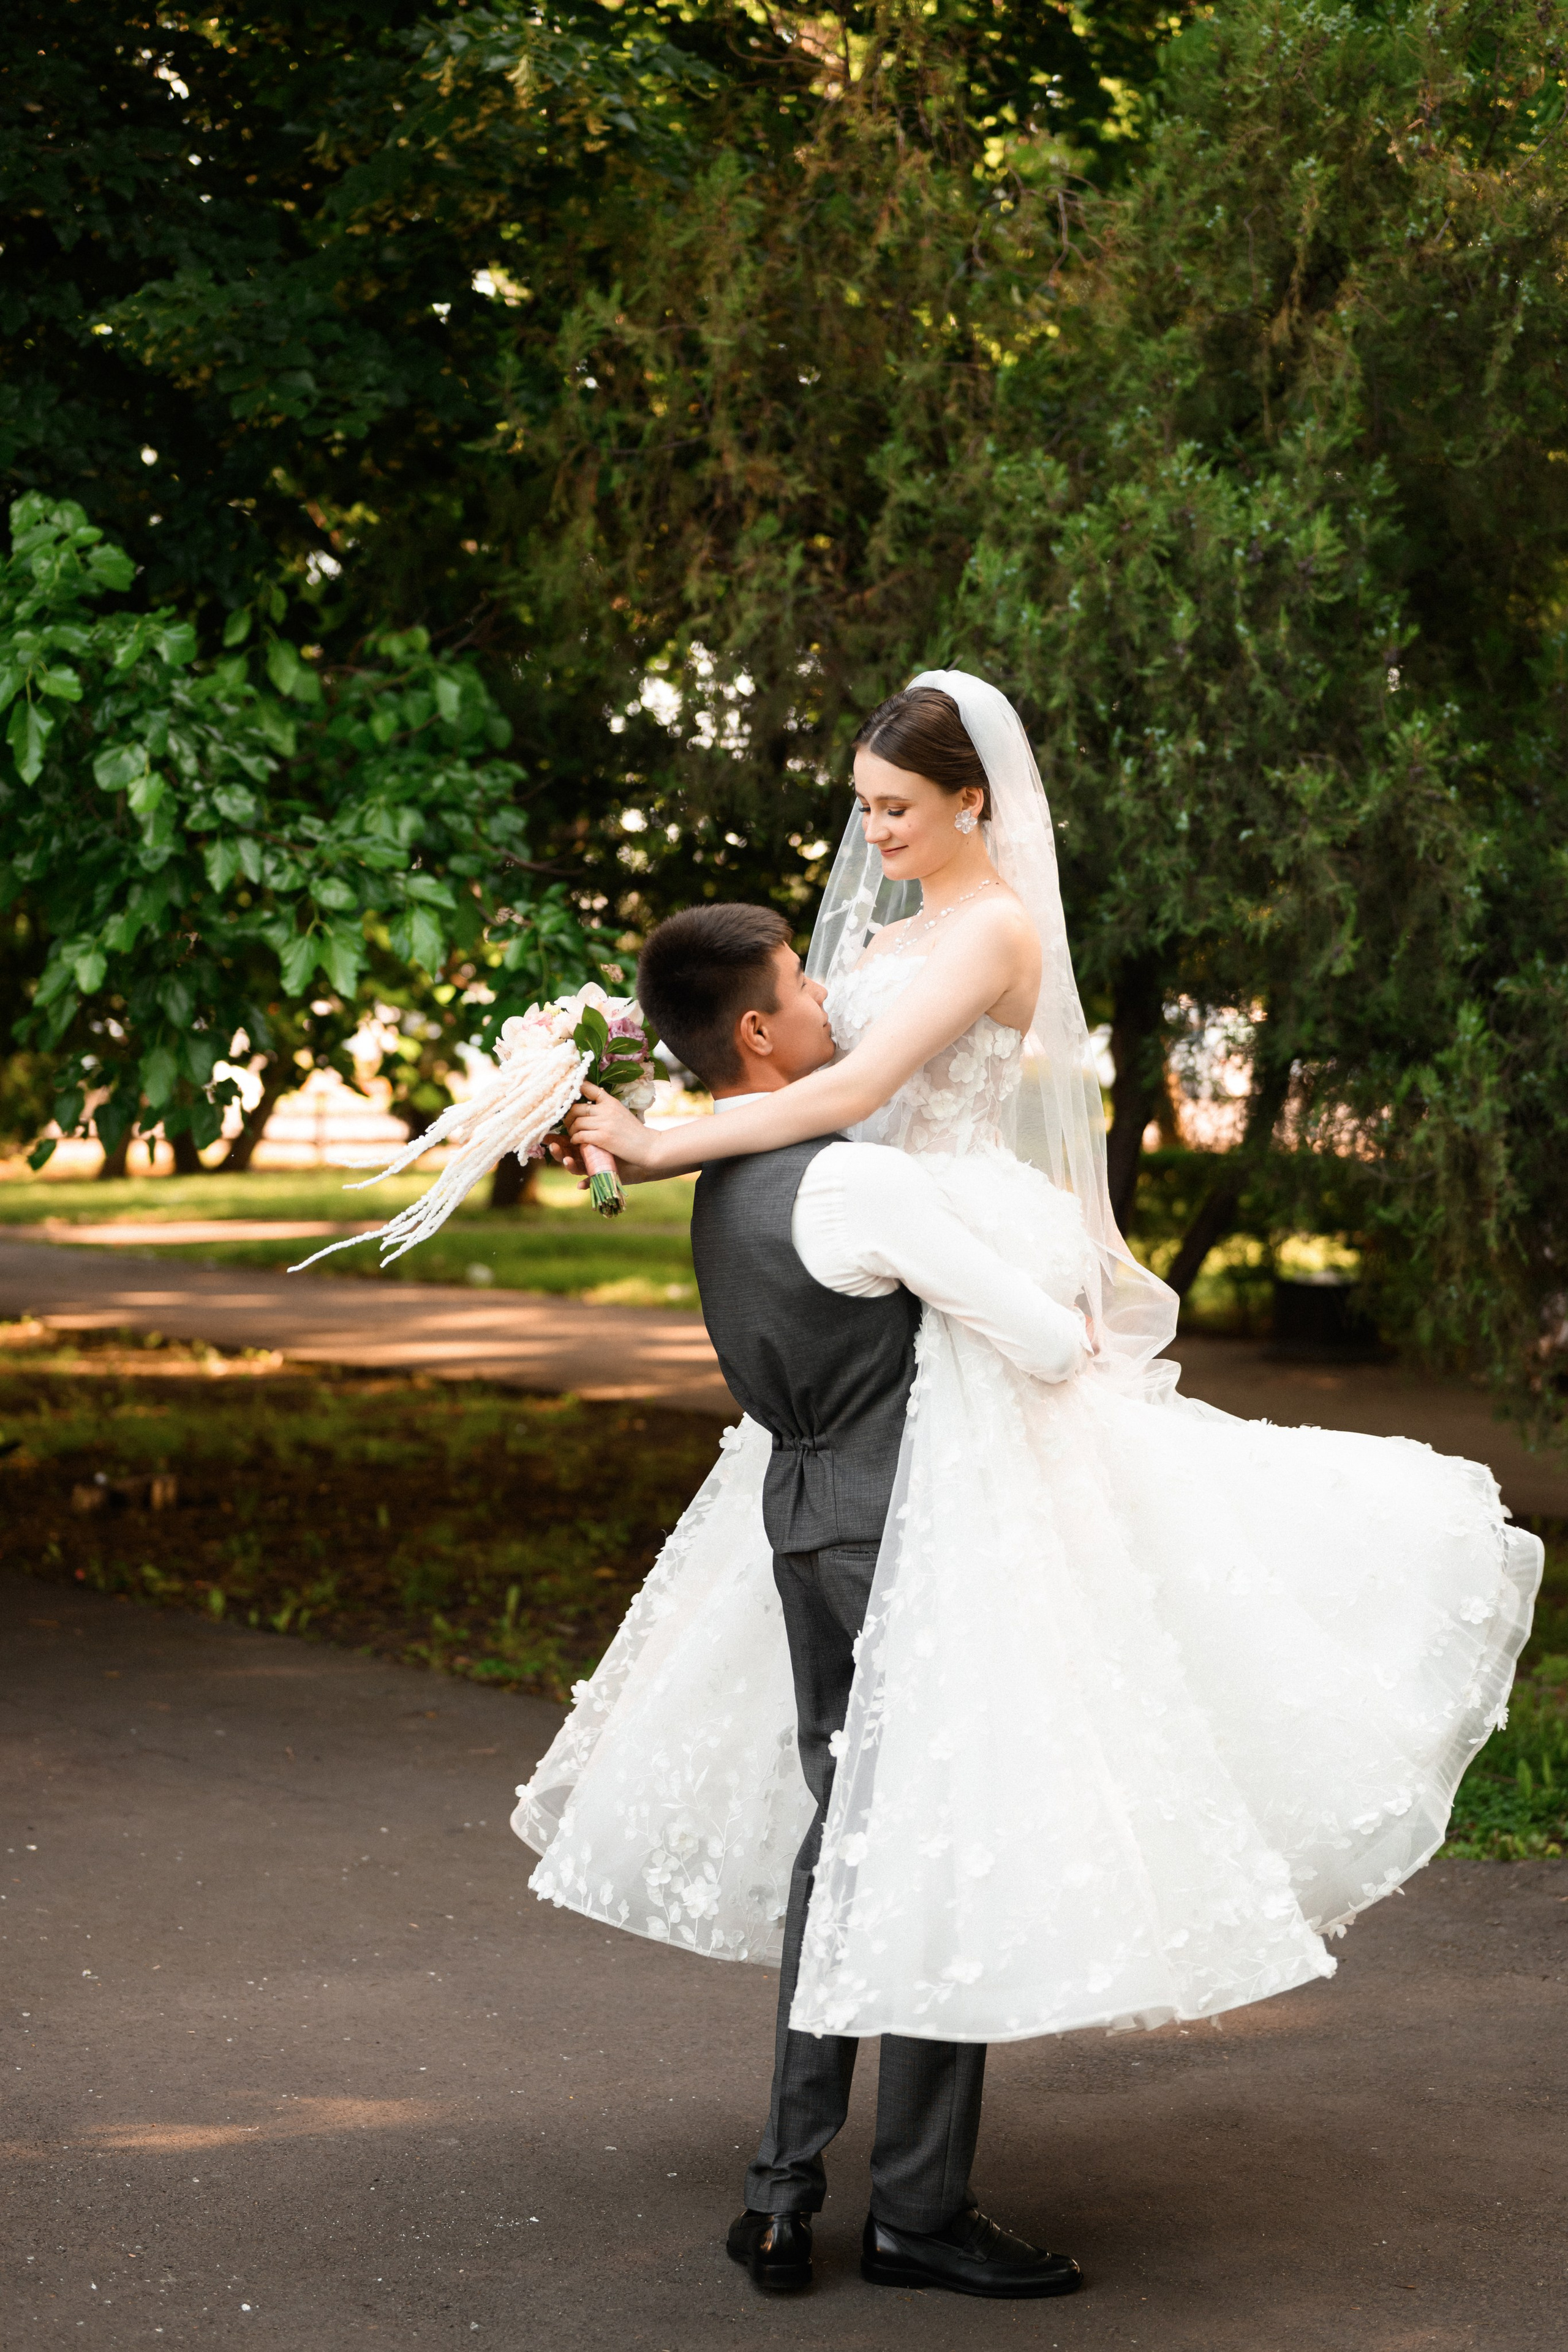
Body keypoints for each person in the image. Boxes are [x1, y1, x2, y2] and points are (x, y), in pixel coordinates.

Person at [514, 670, 1540, 2291]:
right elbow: (779, 1042)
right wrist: (645, 1046)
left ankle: (818, 2188)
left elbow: (843, 1093)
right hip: (887, 1319)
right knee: (889, 1800)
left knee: (910, 1795)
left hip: (941, 1309)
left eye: (899, 810)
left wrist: (663, 1144)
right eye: (863, 809)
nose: (873, 834)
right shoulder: (879, 941)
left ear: (979, 801)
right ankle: (890, 2205)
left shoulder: (993, 933)